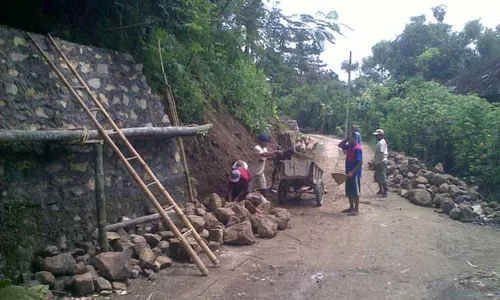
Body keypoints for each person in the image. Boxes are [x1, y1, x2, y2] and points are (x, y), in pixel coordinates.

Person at [338, 131, 363, 215]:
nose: (349, 141)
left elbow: (359, 162)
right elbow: (340, 145)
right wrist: (346, 139)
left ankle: (356, 210)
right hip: (348, 173)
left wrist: (352, 172)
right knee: (349, 191)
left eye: (350, 139)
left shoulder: (357, 148)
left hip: (354, 174)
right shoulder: (350, 146)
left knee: (356, 192)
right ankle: (351, 207)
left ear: (354, 139)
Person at [373, 128, 388, 197]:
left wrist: (379, 162)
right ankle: (381, 190)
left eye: (377, 135)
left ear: (381, 135)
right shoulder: (381, 142)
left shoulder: (381, 143)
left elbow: (381, 153)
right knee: (378, 176)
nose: (376, 137)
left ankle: (385, 192)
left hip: (381, 161)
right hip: (379, 161)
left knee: (382, 176)